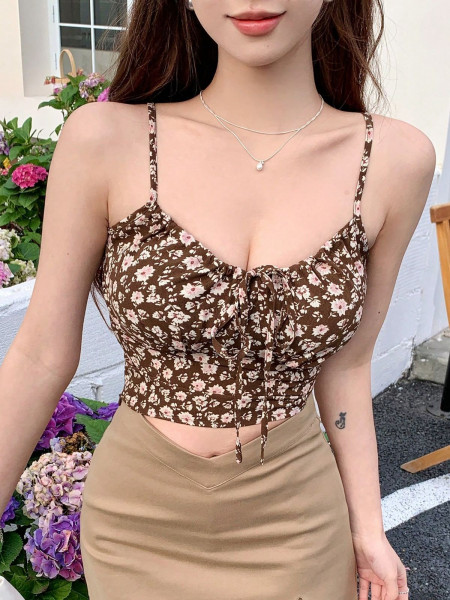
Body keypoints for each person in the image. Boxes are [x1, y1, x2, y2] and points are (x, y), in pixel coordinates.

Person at [0, 1, 436, 599]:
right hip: (136, 525)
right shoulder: (105, 139)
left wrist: (369, 530)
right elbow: (40, 355)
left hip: (298, 523)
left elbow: (348, 366)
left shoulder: (395, 160)